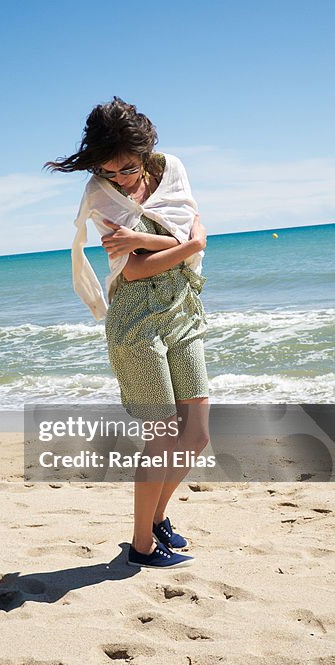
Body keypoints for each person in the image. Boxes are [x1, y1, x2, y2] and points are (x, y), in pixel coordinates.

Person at [45, 98, 211, 568]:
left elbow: (184, 237)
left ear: (146, 148)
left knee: (195, 436)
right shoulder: (101, 196)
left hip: (182, 306)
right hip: (135, 319)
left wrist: (151, 239)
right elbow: (134, 271)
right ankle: (140, 547)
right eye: (108, 170)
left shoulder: (171, 169)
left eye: (127, 168)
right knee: (160, 436)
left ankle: (157, 520)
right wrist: (186, 242)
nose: (119, 178)